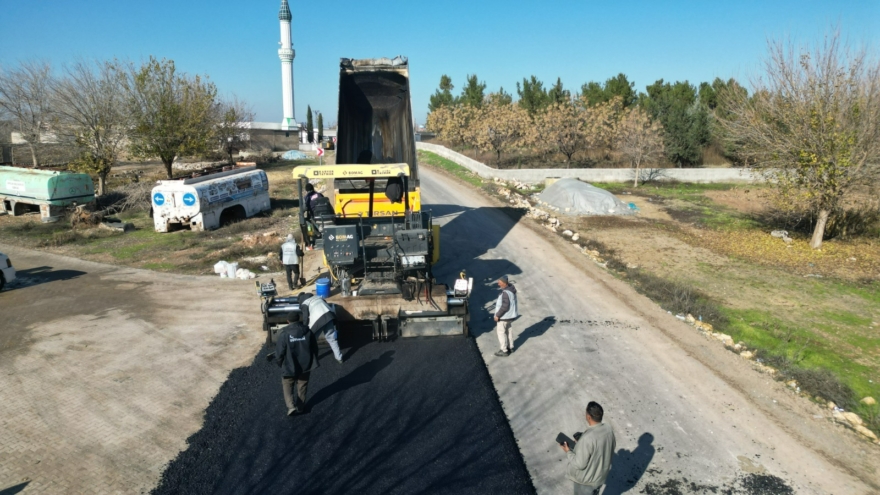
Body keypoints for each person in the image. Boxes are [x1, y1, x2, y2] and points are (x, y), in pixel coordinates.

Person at [560, 401, 616, 495]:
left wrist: (568, 451)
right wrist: (580, 444)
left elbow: (579, 464)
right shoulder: (608, 430)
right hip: (599, 479)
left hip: (586, 483)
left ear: (589, 417)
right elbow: (607, 447)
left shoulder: (587, 438)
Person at [274, 312, 320, 416]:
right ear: (298, 319)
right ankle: (300, 407)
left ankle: (291, 406)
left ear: (288, 321)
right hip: (305, 365)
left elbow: (279, 352)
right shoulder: (308, 331)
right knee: (302, 385)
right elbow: (314, 348)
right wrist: (313, 360)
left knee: (287, 384)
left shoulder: (284, 334)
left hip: (289, 365)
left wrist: (280, 363)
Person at [298, 292, 344, 364]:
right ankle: (339, 358)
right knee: (331, 339)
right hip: (329, 316)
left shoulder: (305, 303)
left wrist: (305, 328)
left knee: (311, 340)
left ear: (300, 299)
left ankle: (311, 359)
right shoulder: (318, 297)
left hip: (318, 321)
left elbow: (305, 317)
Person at [493, 275, 519, 357]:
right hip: (510, 316)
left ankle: (504, 350)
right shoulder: (511, 289)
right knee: (509, 331)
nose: (498, 284)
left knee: (501, 332)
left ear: (504, 283)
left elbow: (505, 306)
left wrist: (498, 315)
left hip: (504, 316)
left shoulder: (505, 293)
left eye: (499, 283)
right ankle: (511, 347)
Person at [303, 183, 324, 250]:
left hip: (314, 215)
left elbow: (305, 208)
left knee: (308, 223)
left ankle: (314, 236)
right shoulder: (319, 195)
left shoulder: (307, 198)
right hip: (324, 214)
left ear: (306, 190)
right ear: (313, 188)